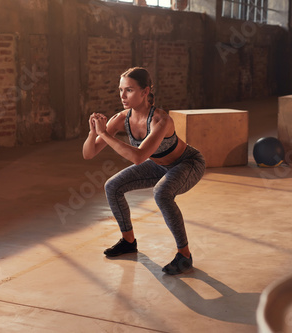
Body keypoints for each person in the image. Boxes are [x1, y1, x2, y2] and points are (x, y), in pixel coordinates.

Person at [82, 67, 205, 275]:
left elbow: (139, 157)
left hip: (187, 163)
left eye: (129, 90)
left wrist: (105, 134)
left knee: (162, 193)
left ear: (145, 91)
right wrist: (93, 133)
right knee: (113, 186)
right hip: (158, 164)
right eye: (120, 90)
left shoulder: (161, 120)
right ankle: (128, 241)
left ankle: (184, 255)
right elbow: (89, 153)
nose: (122, 96)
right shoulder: (121, 118)